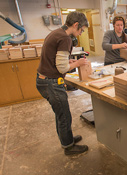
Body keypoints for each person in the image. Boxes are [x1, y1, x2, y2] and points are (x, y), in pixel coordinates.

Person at [36, 11, 89, 156]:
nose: (80, 33)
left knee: (60, 114)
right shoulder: (65, 38)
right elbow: (62, 68)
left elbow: (56, 60)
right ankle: (69, 147)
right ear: (76, 25)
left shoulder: (56, 33)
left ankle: (67, 139)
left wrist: (69, 61)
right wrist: (77, 63)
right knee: (64, 115)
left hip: (44, 80)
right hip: (51, 82)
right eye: (81, 30)